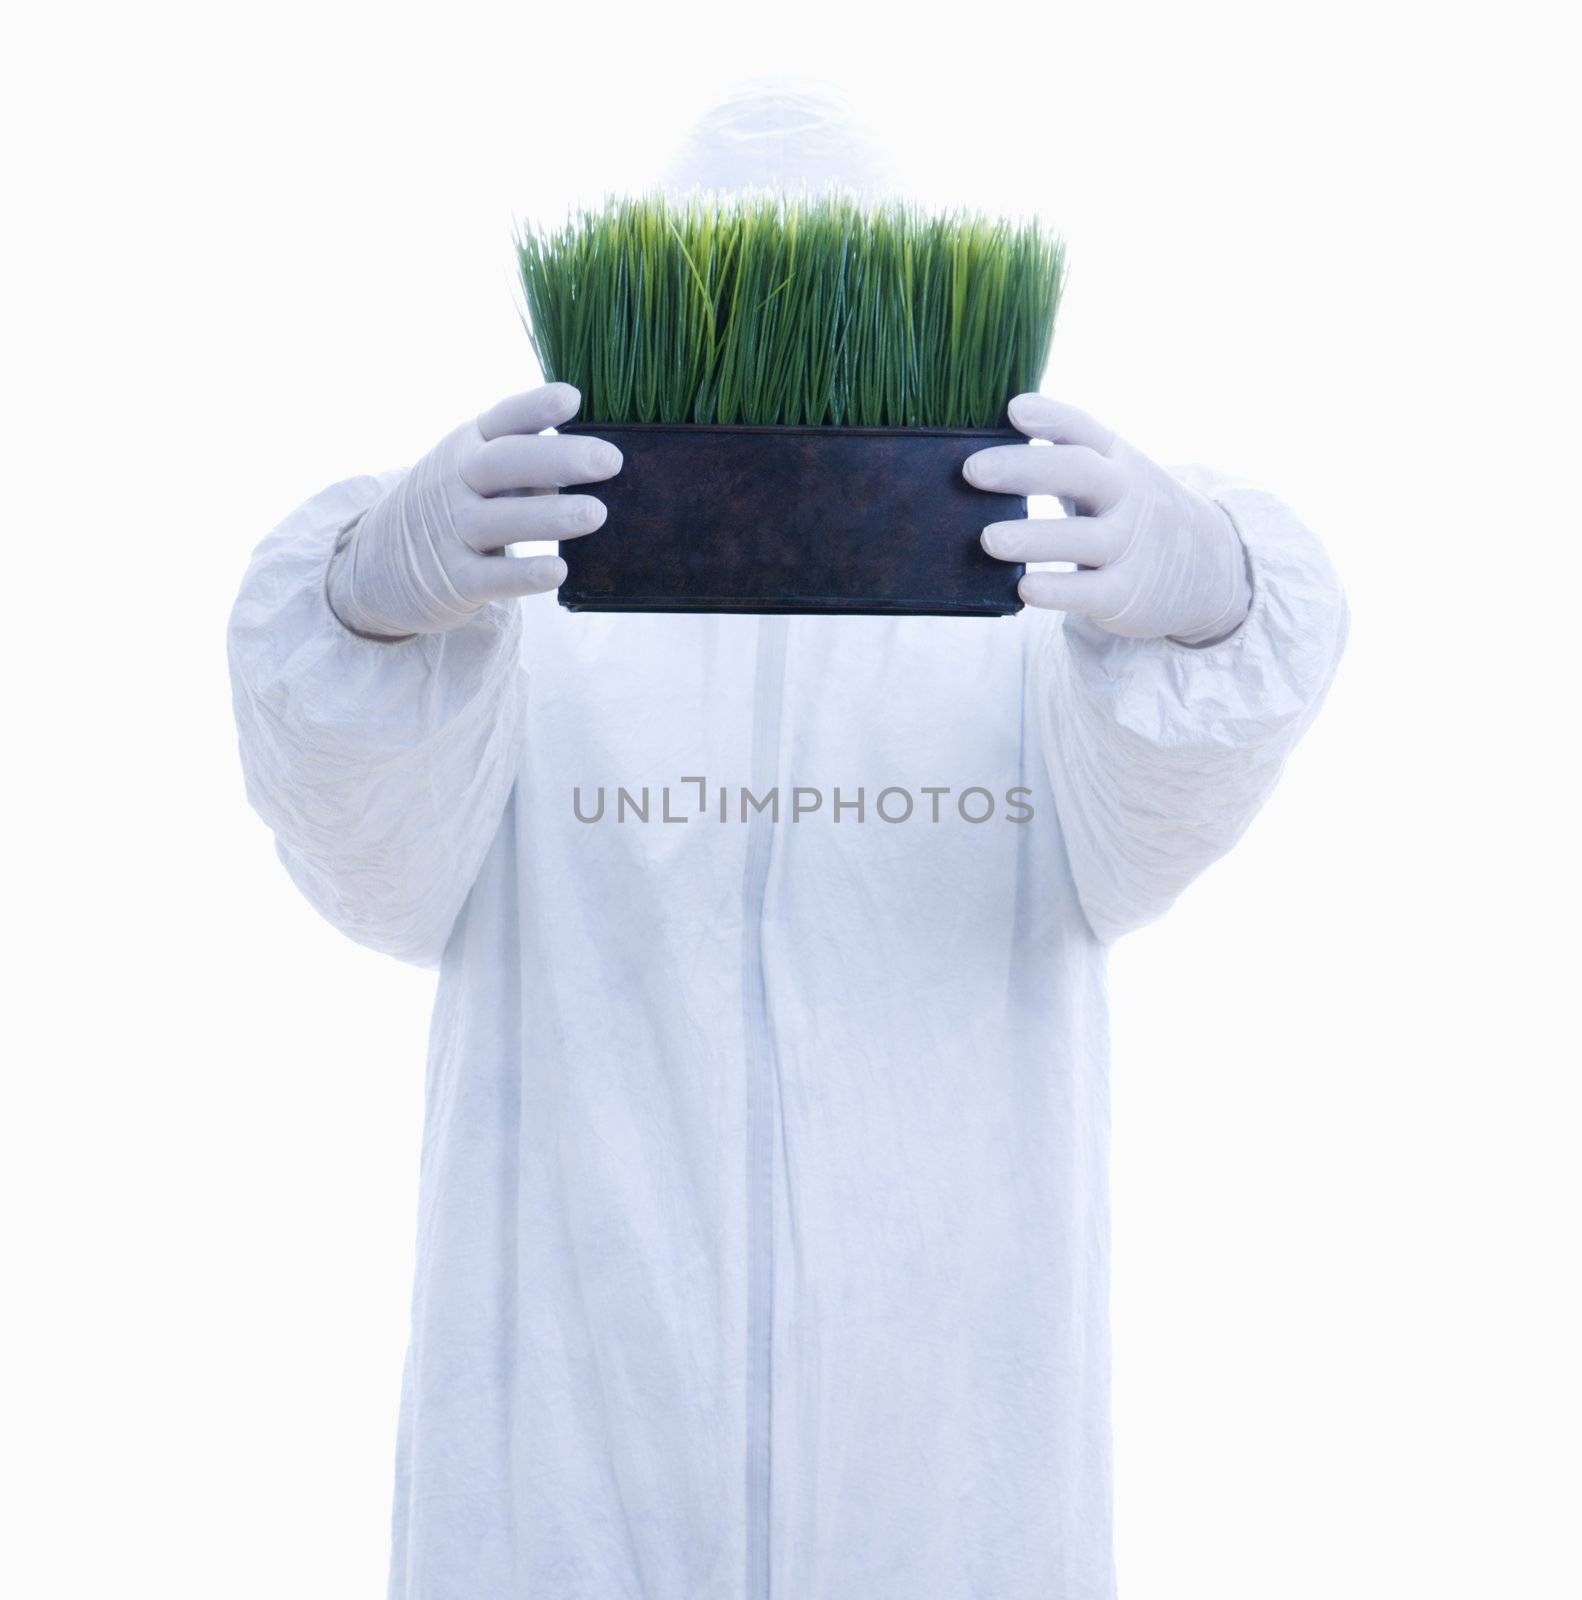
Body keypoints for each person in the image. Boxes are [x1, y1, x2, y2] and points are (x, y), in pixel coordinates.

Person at [229, 81, 1347, 1600]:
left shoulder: (1019, 600)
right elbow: (383, 885)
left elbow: (1141, 847)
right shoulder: (533, 610)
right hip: (557, 1473)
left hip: (955, 1491)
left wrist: (1212, 599)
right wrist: (362, 609)